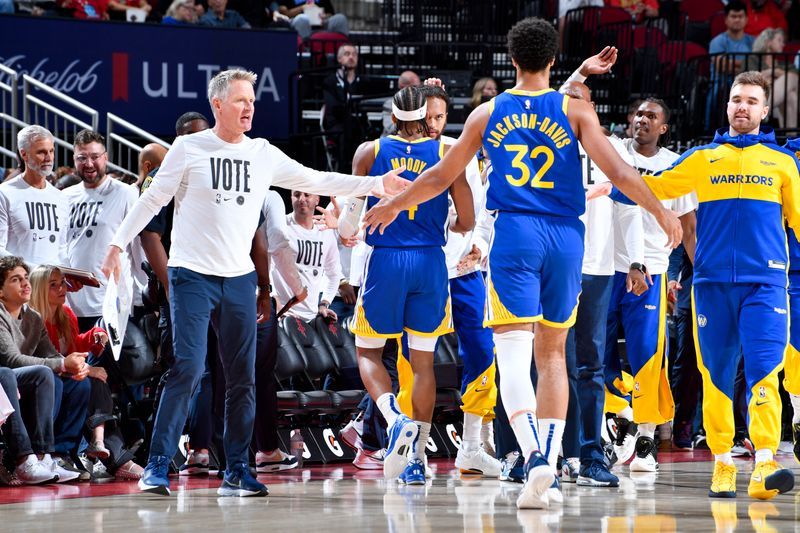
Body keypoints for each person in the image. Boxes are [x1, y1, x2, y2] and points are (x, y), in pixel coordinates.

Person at [362, 17, 681, 509]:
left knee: (512, 355)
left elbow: (442, 174)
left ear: (511, 61)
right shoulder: (574, 110)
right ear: (553, 60)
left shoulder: (486, 113)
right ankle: (549, 467)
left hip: (515, 234)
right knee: (553, 354)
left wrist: (389, 203)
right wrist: (661, 211)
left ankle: (531, 454)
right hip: (565, 238)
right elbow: (618, 170)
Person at [100, 68, 408, 498]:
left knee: (242, 377)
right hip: (191, 275)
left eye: (253, 100)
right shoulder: (189, 148)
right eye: (242, 100)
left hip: (239, 280)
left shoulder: (262, 152)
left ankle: (238, 471)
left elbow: (316, 179)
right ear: (218, 105)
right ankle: (156, 465)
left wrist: (375, 183)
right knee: (186, 369)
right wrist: (116, 245)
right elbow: (152, 199)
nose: (250, 107)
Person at [639, 71, 798, 500]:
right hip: (709, 284)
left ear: (765, 111)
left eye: (750, 101)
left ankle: (765, 463)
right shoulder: (700, 159)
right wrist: (606, 183)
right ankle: (723, 463)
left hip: (766, 284)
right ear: (726, 106)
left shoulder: (784, 164)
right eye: (735, 100)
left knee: (766, 373)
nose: (742, 107)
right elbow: (651, 186)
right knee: (717, 376)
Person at [348, 85, 474, 485]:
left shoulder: (369, 152)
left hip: (385, 261)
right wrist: (443, 222)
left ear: (392, 116)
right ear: (426, 116)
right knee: (422, 364)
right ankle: (417, 459)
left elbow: (350, 225)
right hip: (430, 263)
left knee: (368, 353)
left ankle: (392, 417)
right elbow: (467, 222)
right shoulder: (445, 154)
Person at [602, 98, 698, 473]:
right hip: (605, 265)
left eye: (651, 116)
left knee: (647, 355)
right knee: (600, 353)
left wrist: (698, 274)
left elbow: (688, 226)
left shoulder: (675, 164)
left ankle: (645, 435)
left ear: (664, 128)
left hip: (652, 270)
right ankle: (616, 425)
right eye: (638, 114)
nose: (642, 119)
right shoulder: (611, 151)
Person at [558, 76, 644, 489]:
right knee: (555, 363)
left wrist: (636, 261)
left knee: (591, 365)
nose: (576, 104)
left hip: (597, 268)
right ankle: (557, 452)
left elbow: (627, 209)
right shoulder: (547, 145)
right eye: (568, 98)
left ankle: (590, 454)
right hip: (555, 264)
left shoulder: (608, 148)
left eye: (583, 99)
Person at [416, 83, 500, 477]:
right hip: (423, 269)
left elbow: (484, 210)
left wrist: (480, 246)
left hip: (465, 270)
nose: (433, 124)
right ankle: (412, 449)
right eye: (426, 116)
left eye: (439, 116)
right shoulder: (400, 151)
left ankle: (471, 447)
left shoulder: (460, 150)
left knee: (483, 353)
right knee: (416, 361)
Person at [28, 264, 144, 480]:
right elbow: (48, 357)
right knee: (83, 381)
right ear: (39, 289)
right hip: (46, 376)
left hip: (64, 373)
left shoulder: (67, 314)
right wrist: (88, 368)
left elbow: (73, 345)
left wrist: (94, 335)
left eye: (62, 283)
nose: (62, 288)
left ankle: (74, 451)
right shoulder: (34, 318)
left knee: (94, 382)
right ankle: (96, 449)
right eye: (53, 285)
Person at [0, 256, 90, 483]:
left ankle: (51, 456)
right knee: (40, 374)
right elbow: (11, 359)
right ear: (1, 291)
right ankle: (26, 459)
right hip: (5, 376)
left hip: (16, 377)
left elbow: (50, 353)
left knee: (78, 382)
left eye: (26, 278)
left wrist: (75, 365)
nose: (25, 284)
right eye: (16, 280)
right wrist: (61, 364)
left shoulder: (33, 316)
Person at [63, 130, 141, 332]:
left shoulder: (126, 193)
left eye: (95, 157)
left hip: (110, 304)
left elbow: (138, 249)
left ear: (105, 157)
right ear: (74, 159)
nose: (89, 164)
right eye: (82, 158)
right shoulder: (64, 197)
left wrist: (142, 298)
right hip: (69, 305)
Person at [0, 126, 68, 267]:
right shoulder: (4, 193)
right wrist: (36, 272)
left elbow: (61, 248)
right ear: (24, 154)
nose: (49, 158)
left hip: (52, 286)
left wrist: (69, 274)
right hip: (21, 284)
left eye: (51, 151)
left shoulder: (60, 198)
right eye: (41, 152)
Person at [322, 43, 364, 173]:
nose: (351, 57)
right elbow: (333, 106)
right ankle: (344, 173)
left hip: (358, 123)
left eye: (354, 54)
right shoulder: (330, 81)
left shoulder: (363, 81)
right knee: (345, 132)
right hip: (337, 123)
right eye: (347, 54)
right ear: (339, 59)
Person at [746, 28, 797, 128]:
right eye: (779, 40)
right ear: (768, 42)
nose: (783, 44)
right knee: (791, 93)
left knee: (791, 88)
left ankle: (763, 109)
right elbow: (747, 78)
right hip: (757, 97)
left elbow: (795, 76)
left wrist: (771, 72)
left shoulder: (784, 64)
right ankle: (790, 139)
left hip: (776, 102)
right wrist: (777, 76)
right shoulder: (753, 59)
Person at [278, 0, 349, 41]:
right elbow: (283, 13)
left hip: (320, 23)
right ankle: (305, 52)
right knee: (303, 19)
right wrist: (302, 8)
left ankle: (343, 51)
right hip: (297, 22)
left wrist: (324, 15)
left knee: (340, 18)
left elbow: (330, 13)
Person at [382, 71, 421, 137]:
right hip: (392, 143)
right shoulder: (390, 104)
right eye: (414, 87)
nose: (418, 90)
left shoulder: (421, 102)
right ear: (402, 87)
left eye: (419, 86)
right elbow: (391, 128)